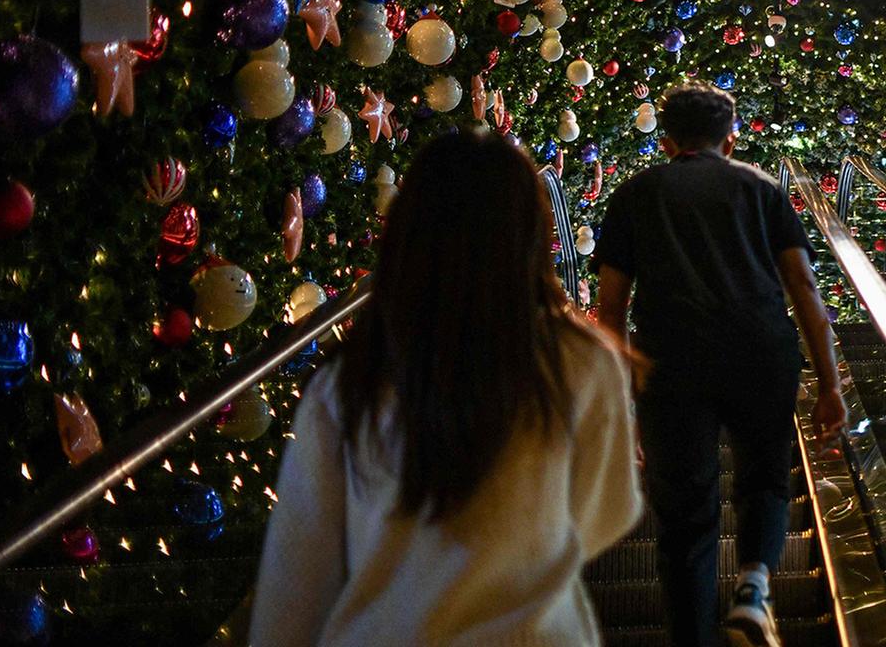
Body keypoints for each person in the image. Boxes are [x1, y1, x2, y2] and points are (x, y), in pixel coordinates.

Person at [252, 131, 641, 647]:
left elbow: (297, 576)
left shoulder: (352, 380)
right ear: (528, 233)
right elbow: (603, 514)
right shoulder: (582, 363)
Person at [591, 83, 846, 647]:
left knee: (683, 513)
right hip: (760, 352)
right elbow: (802, 285)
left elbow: (610, 308)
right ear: (731, 138)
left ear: (666, 140)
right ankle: (754, 587)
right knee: (763, 477)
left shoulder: (636, 194)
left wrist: (620, 400)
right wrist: (828, 383)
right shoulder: (761, 188)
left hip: (669, 363)